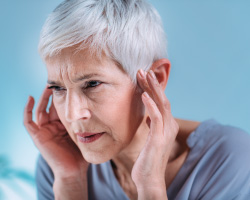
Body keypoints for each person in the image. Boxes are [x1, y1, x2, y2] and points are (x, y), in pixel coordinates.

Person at [23, 0, 250, 199]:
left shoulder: (230, 160)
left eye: (92, 84)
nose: (72, 115)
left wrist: (150, 185)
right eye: (58, 88)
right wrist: (71, 183)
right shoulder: (58, 165)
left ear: (156, 79)